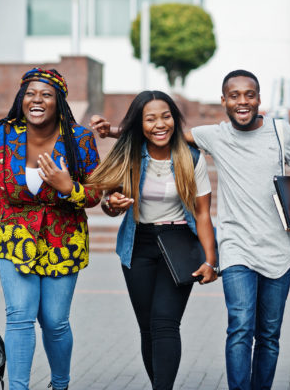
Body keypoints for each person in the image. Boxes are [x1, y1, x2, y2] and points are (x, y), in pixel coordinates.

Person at [91, 70, 290, 389]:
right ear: (223, 101)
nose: (242, 101)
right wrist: (113, 132)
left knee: (268, 334)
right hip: (232, 246)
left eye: (249, 95)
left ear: (260, 99)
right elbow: (155, 132)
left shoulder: (279, 132)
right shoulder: (214, 135)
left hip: (274, 247)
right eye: (234, 96)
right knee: (238, 328)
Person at [87, 90, 218, 390]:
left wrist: (211, 260)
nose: (160, 124)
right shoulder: (128, 152)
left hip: (179, 242)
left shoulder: (191, 156)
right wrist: (112, 205)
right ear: (139, 123)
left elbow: (202, 213)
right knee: (147, 328)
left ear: (175, 119)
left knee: (164, 323)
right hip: (139, 243)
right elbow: (108, 201)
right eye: (150, 118)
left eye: (166, 116)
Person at [0, 68, 101, 390]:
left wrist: (69, 187)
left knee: (54, 322)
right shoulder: (2, 134)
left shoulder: (78, 139)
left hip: (63, 240)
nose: (36, 100)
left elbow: (94, 193)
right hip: (15, 237)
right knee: (19, 317)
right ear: (21, 99)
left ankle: (60, 384)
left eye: (46, 94)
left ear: (59, 101)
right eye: (30, 93)